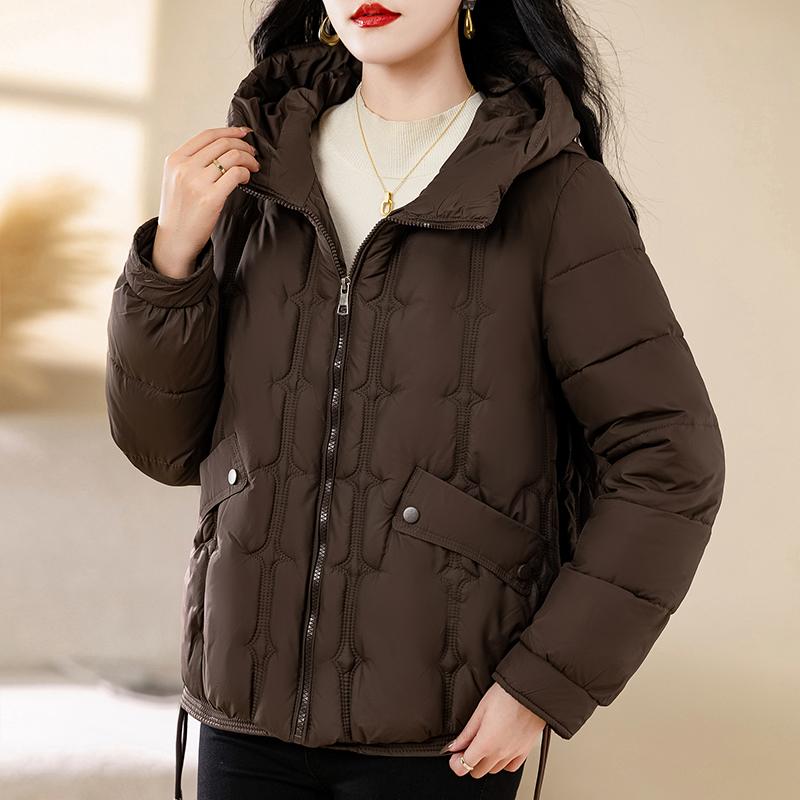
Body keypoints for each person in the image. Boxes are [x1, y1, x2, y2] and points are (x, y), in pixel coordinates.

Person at [104, 1, 726, 799]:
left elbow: (671, 460)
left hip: (442, 742)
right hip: (242, 719)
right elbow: (163, 447)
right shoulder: (254, 174)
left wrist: (543, 686)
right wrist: (170, 260)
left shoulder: (555, 194)